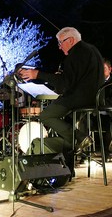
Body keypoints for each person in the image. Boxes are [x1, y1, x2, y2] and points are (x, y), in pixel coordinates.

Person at [18, 27, 104, 170]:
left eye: (60, 43)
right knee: (63, 123)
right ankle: (73, 147)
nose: (59, 47)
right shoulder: (91, 50)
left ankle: (79, 138)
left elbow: (65, 84)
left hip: (81, 98)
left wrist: (38, 74)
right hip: (95, 97)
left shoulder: (76, 54)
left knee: (46, 115)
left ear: (70, 40)